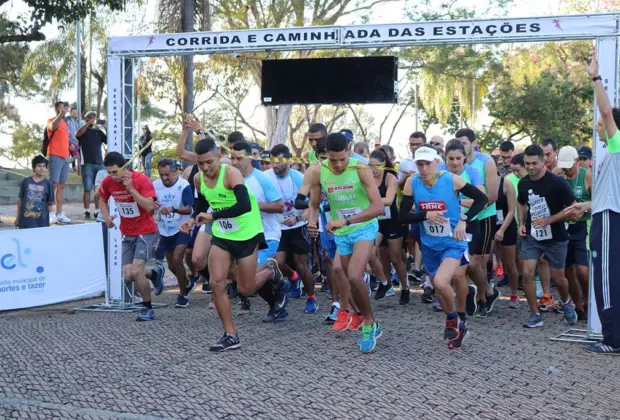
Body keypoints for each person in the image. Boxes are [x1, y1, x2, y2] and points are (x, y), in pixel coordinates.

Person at [182, 138, 287, 351]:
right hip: (223, 234)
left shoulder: (231, 173)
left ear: (219, 154)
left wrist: (213, 216)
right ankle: (230, 335)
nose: (205, 167)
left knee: (245, 289)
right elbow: (202, 205)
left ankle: (270, 270)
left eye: (209, 162)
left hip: (247, 232)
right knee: (216, 282)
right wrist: (193, 219)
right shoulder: (198, 179)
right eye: (200, 163)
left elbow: (245, 205)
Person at [400, 145, 488, 350]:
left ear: (436, 163)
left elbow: (481, 198)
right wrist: (424, 215)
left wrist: (464, 220)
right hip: (429, 244)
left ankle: (453, 318)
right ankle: (459, 325)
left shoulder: (451, 180)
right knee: (440, 286)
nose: (423, 168)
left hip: (453, 242)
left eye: (427, 164)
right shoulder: (411, 183)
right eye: (419, 164)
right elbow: (403, 215)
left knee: (441, 282)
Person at [306, 132, 385, 353]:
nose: (338, 165)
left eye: (342, 159)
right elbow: (313, 204)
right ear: (325, 156)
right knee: (339, 271)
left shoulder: (360, 169)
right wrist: (312, 221)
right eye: (333, 160)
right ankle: (359, 313)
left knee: (354, 274)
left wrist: (347, 220)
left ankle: (369, 322)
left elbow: (378, 208)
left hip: (363, 227)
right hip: (342, 230)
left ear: (349, 151)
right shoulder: (318, 171)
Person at [578, 51, 620, 354]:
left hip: (609, 220)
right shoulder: (610, 155)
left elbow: (607, 113)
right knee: (609, 279)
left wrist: (595, 76)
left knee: (605, 280)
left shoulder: (617, 145)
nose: (597, 124)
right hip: (605, 215)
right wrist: (585, 206)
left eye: (601, 122)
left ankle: (612, 340)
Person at [98, 152, 165, 322]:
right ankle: (155, 274)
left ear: (125, 167)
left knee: (136, 272)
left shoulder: (141, 180)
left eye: (115, 172)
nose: (112, 176)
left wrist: (131, 189)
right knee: (128, 275)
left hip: (145, 230)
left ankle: (147, 308)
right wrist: (106, 216)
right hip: (127, 232)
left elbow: (150, 207)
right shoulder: (108, 182)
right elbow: (101, 199)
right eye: (109, 173)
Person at [517, 144, 577, 328]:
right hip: (532, 234)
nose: (530, 167)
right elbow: (521, 203)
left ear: (543, 162)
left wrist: (550, 220)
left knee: (558, 278)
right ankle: (535, 314)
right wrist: (521, 223)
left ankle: (566, 303)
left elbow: (573, 207)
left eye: (534, 163)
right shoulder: (524, 183)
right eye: (527, 163)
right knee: (527, 272)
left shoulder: (557, 182)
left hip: (556, 236)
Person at [229, 141, 289, 321]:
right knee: (244, 283)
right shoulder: (230, 180)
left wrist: (251, 205)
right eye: (232, 158)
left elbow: (280, 206)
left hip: (267, 236)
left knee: (249, 282)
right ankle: (275, 306)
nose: (235, 162)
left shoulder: (261, 178)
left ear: (250, 157)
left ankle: (272, 271)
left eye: (239, 158)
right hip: (244, 237)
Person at [456, 128, 501, 317]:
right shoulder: (451, 163)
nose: (460, 147)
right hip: (461, 219)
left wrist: (461, 202)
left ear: (473, 143)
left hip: (483, 217)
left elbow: (491, 196)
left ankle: (482, 297)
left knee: (476, 263)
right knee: (462, 264)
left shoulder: (486, 162)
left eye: (464, 143)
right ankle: (486, 293)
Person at [266, 144, 316, 312]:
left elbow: (311, 203)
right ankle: (293, 278)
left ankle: (311, 297)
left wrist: (298, 216)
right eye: (272, 161)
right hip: (278, 229)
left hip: (299, 227)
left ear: (288, 161)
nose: (274, 165)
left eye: (278, 162)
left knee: (301, 264)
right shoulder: (266, 177)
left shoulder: (298, 177)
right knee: (277, 263)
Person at [444, 139, 485, 316]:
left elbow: (481, 199)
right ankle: (467, 293)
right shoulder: (439, 174)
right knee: (449, 275)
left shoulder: (472, 172)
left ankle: (462, 311)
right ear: (444, 158)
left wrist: (456, 201)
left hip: (469, 224)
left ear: (464, 158)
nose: (454, 163)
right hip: (446, 227)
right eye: (450, 158)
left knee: (458, 274)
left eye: (458, 158)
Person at [153, 158, 195, 308]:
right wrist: (154, 205)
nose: (164, 178)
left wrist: (174, 209)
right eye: (161, 175)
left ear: (175, 171)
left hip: (182, 228)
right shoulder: (155, 185)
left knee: (178, 259)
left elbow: (189, 209)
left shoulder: (184, 186)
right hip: (165, 230)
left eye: (167, 174)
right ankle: (187, 283)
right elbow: (151, 203)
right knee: (172, 265)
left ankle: (183, 295)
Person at [369, 149, 409, 304]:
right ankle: (385, 283)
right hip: (376, 221)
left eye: (376, 166)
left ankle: (405, 288)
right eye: (370, 166)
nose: (373, 170)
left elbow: (390, 199)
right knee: (372, 253)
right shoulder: (367, 178)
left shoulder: (389, 177)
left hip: (392, 221)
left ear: (384, 165)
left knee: (395, 257)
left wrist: (371, 201)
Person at [557, 146, 591, 320]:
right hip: (564, 228)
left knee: (583, 270)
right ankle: (578, 306)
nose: (566, 169)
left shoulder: (587, 175)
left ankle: (588, 300)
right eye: (563, 166)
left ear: (577, 161)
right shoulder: (559, 176)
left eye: (569, 166)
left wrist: (583, 210)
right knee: (568, 270)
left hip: (583, 227)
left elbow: (599, 201)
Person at [76, 111, 107, 220]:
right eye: (90, 117)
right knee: (87, 188)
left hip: (99, 163)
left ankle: (97, 210)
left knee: (98, 188)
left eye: (94, 117)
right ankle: (86, 210)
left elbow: (109, 141)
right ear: (86, 119)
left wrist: (105, 127)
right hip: (87, 163)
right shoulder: (83, 130)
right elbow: (77, 134)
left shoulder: (98, 132)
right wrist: (88, 124)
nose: (92, 119)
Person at [46, 101, 72, 224]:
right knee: (52, 184)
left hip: (66, 156)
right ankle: (50, 213)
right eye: (60, 108)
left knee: (61, 185)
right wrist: (60, 115)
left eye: (64, 108)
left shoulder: (65, 123)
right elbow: (51, 127)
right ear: (56, 109)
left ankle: (59, 213)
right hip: (55, 154)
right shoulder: (52, 120)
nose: (63, 110)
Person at [15, 156, 54, 229]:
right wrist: (18, 217)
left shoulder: (48, 184)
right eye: (39, 166)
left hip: (42, 222)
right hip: (25, 222)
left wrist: (48, 219)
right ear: (33, 167)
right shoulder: (25, 182)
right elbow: (20, 200)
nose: (42, 168)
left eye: (44, 166)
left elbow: (50, 203)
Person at [66, 107, 83, 172]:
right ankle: (65, 165)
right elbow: (66, 131)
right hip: (70, 141)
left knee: (76, 156)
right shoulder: (68, 121)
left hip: (76, 141)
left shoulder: (77, 122)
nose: (75, 113)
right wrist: (69, 143)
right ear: (70, 113)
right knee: (75, 155)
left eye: (76, 112)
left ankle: (68, 166)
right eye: (73, 112)